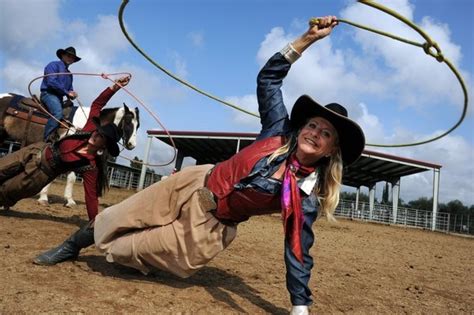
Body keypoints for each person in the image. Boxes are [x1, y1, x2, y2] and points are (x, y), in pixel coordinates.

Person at [34, 17, 365, 315]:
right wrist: (307, 39)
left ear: (330, 150)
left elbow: (297, 250)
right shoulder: (278, 130)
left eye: (325, 134)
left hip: (211, 225)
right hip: (194, 182)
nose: (314, 133)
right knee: (124, 212)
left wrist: (300, 307)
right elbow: (269, 80)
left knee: (130, 250)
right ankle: (70, 246)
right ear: (302, 126)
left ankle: (129, 255)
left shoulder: (305, 195)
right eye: (312, 125)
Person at [0, 76, 131, 221]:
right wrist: (115, 86)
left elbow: (91, 197)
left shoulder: (90, 166)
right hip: (34, 151)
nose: (96, 134)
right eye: (98, 131)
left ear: (104, 146)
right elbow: (98, 104)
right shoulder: (89, 128)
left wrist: (94, 221)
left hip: (39, 175)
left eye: (101, 136)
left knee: (6, 192)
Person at [40, 46, 81, 141]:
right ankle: (47, 138)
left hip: (59, 98)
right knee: (58, 113)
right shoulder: (53, 65)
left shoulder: (69, 75)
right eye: (68, 56)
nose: (70, 58)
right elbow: (51, 82)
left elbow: (70, 89)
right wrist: (67, 92)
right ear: (62, 55)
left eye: (72, 58)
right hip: (48, 94)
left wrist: (72, 93)